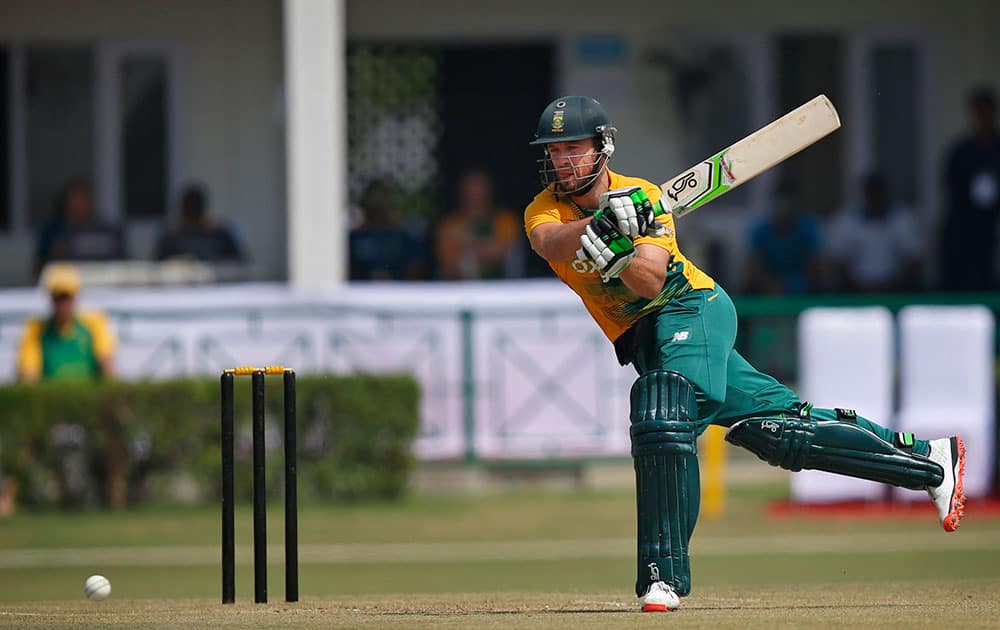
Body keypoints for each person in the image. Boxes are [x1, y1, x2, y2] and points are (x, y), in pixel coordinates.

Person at [523, 96, 966, 613]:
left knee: (665, 412)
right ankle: (930, 461)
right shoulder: (543, 210)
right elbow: (551, 243)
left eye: (573, 148)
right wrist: (602, 223)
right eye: (554, 151)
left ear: (603, 146)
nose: (563, 160)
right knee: (779, 431)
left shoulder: (642, 196)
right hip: (648, 342)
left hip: (692, 310)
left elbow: (649, 281)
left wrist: (621, 251)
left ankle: (661, 577)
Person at [939, 86, 1000, 291]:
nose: (982, 117)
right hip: (963, 230)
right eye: (978, 111)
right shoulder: (961, 151)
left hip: (991, 231)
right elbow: (951, 188)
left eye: (986, 111)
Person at [16, 263, 116, 383]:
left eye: (67, 296)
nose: (63, 303)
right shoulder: (35, 329)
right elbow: (28, 375)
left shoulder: (95, 323)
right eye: (58, 297)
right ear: (51, 297)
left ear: (76, 296)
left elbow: (107, 366)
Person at [825, 172, 923, 293]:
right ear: (865, 194)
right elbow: (837, 262)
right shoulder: (846, 220)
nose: (876, 198)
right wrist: (860, 287)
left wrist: (891, 286)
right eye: (872, 193)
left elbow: (913, 261)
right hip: (855, 294)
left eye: (879, 193)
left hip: (896, 293)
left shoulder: (903, 218)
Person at [435, 170, 522, 279]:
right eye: (470, 189)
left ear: (489, 191)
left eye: (479, 188)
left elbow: (506, 250)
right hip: (461, 290)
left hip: (505, 288)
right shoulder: (449, 224)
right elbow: (449, 264)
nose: (475, 194)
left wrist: (467, 243)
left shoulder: (506, 220)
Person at [745, 180, 823, 294]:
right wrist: (769, 285)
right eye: (779, 204)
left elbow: (816, 264)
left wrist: (797, 286)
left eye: (787, 204)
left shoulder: (807, 227)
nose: (783, 209)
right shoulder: (761, 229)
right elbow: (753, 265)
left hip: (803, 286)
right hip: (768, 286)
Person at [34, 181, 127, 275]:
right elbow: (37, 271)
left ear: (90, 202)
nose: (78, 206)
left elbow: (125, 267)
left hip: (104, 285)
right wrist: (53, 257)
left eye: (83, 200)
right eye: (74, 201)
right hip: (68, 285)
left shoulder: (109, 232)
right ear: (66, 204)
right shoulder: (54, 231)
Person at [349, 180, 426, 280]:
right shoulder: (354, 238)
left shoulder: (406, 236)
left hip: (399, 292)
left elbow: (416, 271)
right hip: (360, 293)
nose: (378, 205)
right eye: (373, 203)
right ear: (365, 206)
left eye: (382, 201)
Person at [155, 185, 247, 262]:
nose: (192, 216)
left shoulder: (220, 235)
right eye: (189, 211)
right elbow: (157, 266)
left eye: (195, 211)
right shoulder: (171, 238)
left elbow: (239, 261)